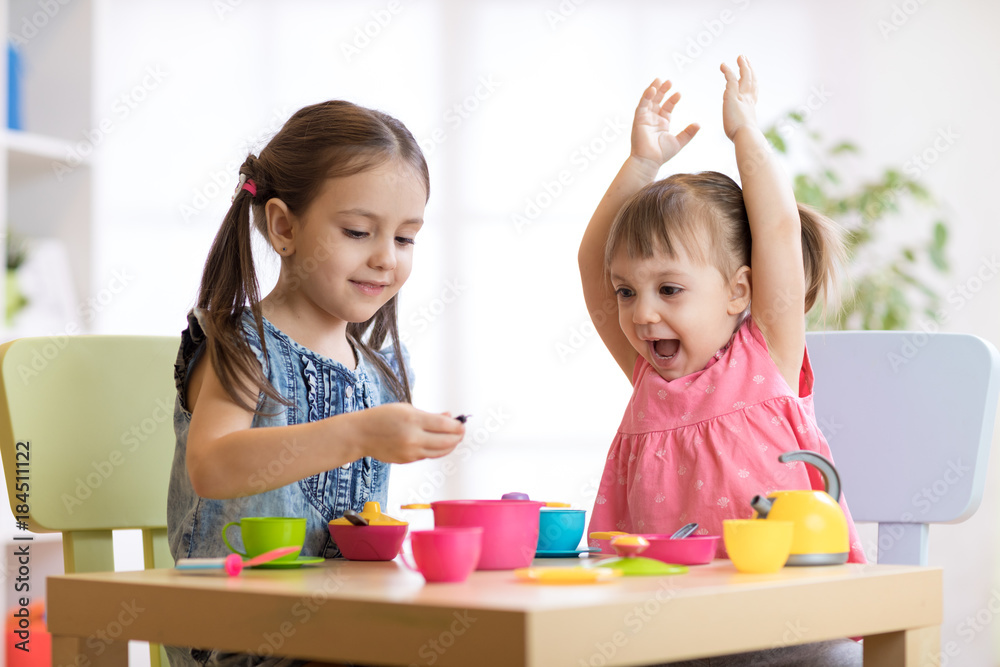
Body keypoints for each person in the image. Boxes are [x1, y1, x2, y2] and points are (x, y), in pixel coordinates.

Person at [581, 56, 864, 666]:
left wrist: (746, 135)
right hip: (670, 637)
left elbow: (778, 229)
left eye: (670, 289)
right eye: (627, 291)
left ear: (739, 291)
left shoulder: (767, 352)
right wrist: (640, 164)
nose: (642, 313)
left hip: (796, 632)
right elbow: (592, 261)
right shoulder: (649, 377)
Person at [167, 101, 465, 667]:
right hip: (238, 637)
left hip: (344, 627)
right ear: (284, 227)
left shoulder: (383, 369)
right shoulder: (242, 344)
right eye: (358, 231)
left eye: (405, 238)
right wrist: (360, 434)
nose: (386, 258)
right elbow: (211, 465)